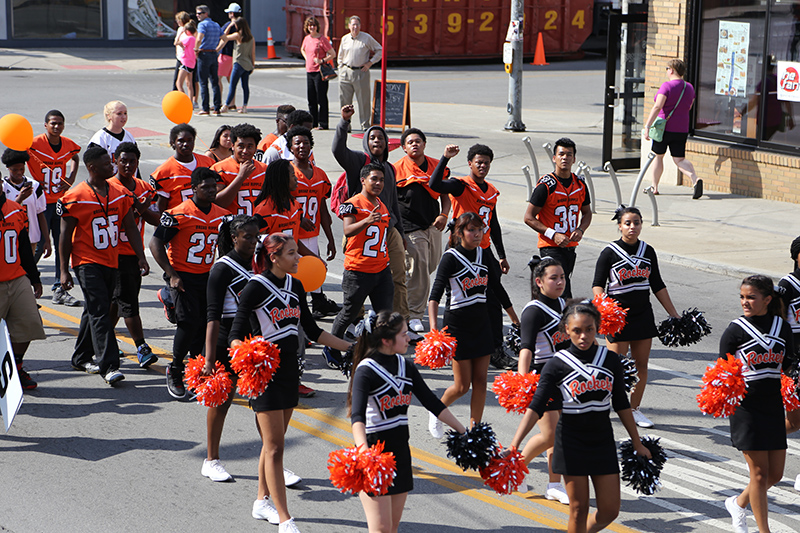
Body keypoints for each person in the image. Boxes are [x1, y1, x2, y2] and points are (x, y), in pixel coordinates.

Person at [229, 233, 352, 533]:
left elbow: (312, 330)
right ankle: (285, 517)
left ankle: (261, 501)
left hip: (289, 374)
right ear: (274, 257)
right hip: (264, 374)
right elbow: (234, 333)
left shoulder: (296, 286)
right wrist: (248, 356)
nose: (299, 258)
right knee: (274, 448)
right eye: (293, 253)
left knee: (273, 445)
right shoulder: (255, 287)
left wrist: (352, 347)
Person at [507, 301, 651, 533]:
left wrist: (637, 442)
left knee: (610, 510)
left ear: (598, 328)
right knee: (578, 508)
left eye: (589, 329)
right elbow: (536, 406)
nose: (583, 336)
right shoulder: (556, 365)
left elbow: (622, 404)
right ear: (566, 330)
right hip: (570, 443)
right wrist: (515, 444)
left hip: (602, 441)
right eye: (576, 330)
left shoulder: (610, 360)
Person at [348, 310, 467, 533]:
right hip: (375, 455)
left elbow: (432, 402)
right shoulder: (366, 370)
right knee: (381, 529)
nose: (410, 338)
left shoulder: (406, 366)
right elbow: (357, 417)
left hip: (401, 454)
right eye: (404, 334)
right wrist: (363, 452)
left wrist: (463, 431)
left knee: (392, 528)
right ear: (386, 340)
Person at [57, 146, 149, 385]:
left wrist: (141, 256)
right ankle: (108, 365)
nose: (112, 166)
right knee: (100, 311)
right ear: (92, 167)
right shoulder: (75, 196)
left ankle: (80, 356)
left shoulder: (119, 192)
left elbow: (130, 226)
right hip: (86, 261)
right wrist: (64, 270)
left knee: (93, 309)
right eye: (107, 164)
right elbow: (65, 236)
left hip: (111, 258)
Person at [427, 212, 519, 438]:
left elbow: (497, 289)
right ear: (460, 233)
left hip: (482, 325)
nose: (477, 234)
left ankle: (474, 429)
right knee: (461, 386)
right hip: (457, 327)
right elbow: (434, 296)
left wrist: (515, 319)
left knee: (480, 382)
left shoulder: (483, 253)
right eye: (471, 230)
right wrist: (434, 330)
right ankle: (436, 410)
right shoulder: (450, 257)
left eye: (480, 229)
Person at [591, 206, 679, 429]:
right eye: (628, 223)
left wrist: (673, 314)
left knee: (641, 365)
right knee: (615, 366)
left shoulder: (648, 251)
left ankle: (633, 409)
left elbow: (657, 284)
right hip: (618, 317)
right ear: (619, 226)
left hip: (642, 316)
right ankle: (602, 406)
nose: (632, 227)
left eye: (637, 222)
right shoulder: (609, 252)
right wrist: (605, 308)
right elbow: (598, 284)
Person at [429, 144, 515, 369]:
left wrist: (501, 254)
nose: (483, 166)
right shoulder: (460, 185)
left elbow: (493, 224)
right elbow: (434, 184)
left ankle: (496, 349)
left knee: (492, 299)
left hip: (483, 250)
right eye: (478, 162)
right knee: (455, 298)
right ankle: (446, 343)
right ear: (470, 163)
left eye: (486, 162)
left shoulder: (492, 191)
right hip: (459, 251)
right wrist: (445, 158)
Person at [719, 275, 795, 533]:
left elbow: (789, 366)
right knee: (760, 475)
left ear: (767, 299)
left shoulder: (781, 328)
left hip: (773, 406)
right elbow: (722, 373)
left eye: (751, 297)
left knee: (775, 475)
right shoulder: (735, 330)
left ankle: (737, 503)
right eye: (742, 297)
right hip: (746, 408)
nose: (745, 302)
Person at [150, 167, 229, 399]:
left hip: (206, 275)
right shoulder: (179, 213)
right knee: (188, 322)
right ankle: (174, 368)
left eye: (214, 186)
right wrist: (171, 274)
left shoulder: (221, 215)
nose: (212, 190)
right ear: (193, 188)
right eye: (206, 187)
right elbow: (156, 244)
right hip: (182, 274)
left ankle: (195, 371)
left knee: (206, 324)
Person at [333, 106, 409, 332]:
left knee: (397, 276)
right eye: (372, 137)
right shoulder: (359, 161)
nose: (377, 141)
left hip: (389, 228)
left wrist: (401, 232)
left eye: (381, 138)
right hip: (360, 231)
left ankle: (399, 323)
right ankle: (354, 324)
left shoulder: (389, 169)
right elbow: (338, 150)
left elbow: (394, 201)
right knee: (356, 290)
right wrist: (344, 123)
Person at [202, 213, 259, 482]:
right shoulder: (222, 268)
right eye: (247, 237)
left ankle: (272, 458)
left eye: (256, 237)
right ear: (234, 237)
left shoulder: (257, 265)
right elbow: (212, 315)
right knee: (222, 401)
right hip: (227, 337)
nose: (253, 242)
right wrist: (210, 359)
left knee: (263, 404)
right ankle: (211, 459)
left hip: (253, 340)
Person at [323, 163, 394, 368]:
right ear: (363, 180)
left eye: (381, 179)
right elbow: (347, 230)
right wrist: (367, 221)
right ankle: (332, 348)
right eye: (374, 179)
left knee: (385, 316)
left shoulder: (381, 204)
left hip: (381, 269)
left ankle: (380, 354)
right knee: (349, 312)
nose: (379, 183)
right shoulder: (353, 203)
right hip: (358, 270)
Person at [516, 256, 570, 503]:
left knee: (559, 434)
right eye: (554, 278)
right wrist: (523, 382)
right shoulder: (533, 311)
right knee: (551, 435)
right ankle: (517, 468)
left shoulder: (564, 304)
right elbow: (525, 348)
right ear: (539, 282)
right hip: (542, 377)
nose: (560, 282)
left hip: (566, 377)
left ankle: (552, 485)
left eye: (562, 277)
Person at [108, 142, 160, 368]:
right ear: (115, 161)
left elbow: (153, 219)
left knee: (117, 301)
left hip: (132, 251)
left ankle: (104, 339)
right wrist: (137, 208)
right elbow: (120, 218)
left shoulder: (144, 187)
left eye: (132, 161)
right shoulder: (107, 187)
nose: (128, 165)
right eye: (123, 160)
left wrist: (145, 208)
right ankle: (141, 347)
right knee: (127, 302)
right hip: (110, 252)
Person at [394, 128, 450, 334]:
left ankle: (403, 293)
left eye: (418, 141)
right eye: (410, 142)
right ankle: (415, 314)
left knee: (430, 264)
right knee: (420, 267)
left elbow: (445, 194)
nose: (414, 145)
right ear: (403, 148)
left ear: (424, 144)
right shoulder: (396, 169)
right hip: (409, 226)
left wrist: (444, 214)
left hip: (432, 224)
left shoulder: (437, 165)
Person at [523, 137, 592, 300]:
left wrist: (581, 229)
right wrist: (553, 234)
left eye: (569, 154)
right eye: (561, 154)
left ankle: (543, 319)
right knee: (562, 293)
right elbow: (528, 217)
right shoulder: (546, 185)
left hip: (570, 248)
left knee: (553, 293)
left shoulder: (580, 184)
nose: (565, 158)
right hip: (551, 247)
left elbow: (587, 213)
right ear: (554, 158)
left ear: (574, 159)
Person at [27, 109, 81, 306]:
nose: (56, 127)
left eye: (60, 123)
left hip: (60, 201)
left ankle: (59, 287)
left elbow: (75, 157)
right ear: (45, 125)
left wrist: (71, 178)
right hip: (40, 203)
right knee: (39, 244)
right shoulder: (34, 144)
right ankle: (25, 283)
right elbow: (17, 157)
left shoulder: (67, 144)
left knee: (62, 244)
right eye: (53, 123)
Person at [286, 126, 339, 318]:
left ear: (311, 146)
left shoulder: (321, 175)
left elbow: (323, 209)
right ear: (290, 147)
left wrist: (331, 239)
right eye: (297, 143)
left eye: (306, 142)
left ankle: (315, 306)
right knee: (293, 277)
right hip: (292, 234)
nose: (302, 146)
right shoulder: (287, 172)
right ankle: (296, 314)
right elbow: (280, 203)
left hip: (313, 235)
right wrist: (299, 219)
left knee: (312, 274)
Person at [0, 188, 46, 390]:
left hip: (17, 277)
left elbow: (24, 246)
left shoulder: (15, 209)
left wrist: (34, 278)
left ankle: (16, 366)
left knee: (29, 323)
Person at [643, 58, 701, 198]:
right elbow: (689, 106)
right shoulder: (689, 87)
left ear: (672, 70)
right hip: (681, 129)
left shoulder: (666, 86)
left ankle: (654, 187)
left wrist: (648, 125)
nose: (667, 71)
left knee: (658, 156)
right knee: (679, 159)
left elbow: (658, 106)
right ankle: (694, 178)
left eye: (667, 69)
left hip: (663, 129)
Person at [151, 123, 216, 213]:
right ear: (172, 143)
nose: (186, 144)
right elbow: (160, 209)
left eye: (190, 140)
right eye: (181, 141)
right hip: (179, 223)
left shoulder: (208, 163)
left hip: (205, 221)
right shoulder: (163, 172)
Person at [337, 15, 382, 131]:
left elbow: (380, 50)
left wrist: (370, 63)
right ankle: (346, 125)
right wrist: (341, 67)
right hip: (346, 71)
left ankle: (365, 125)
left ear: (360, 26)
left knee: (363, 100)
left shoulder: (366, 38)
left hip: (361, 72)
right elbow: (340, 55)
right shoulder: (345, 39)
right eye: (353, 24)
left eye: (357, 24)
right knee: (345, 100)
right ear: (349, 26)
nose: (355, 27)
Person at [212, 123, 267, 215]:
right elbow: (217, 203)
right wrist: (241, 177)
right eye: (241, 146)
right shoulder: (219, 169)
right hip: (232, 226)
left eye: (250, 147)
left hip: (258, 226)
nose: (245, 151)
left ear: (255, 148)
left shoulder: (264, 169)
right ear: (233, 146)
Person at [2, 149, 48, 258]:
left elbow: (40, 214)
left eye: (22, 169)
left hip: (31, 237)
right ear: (8, 168)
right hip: (9, 236)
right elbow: (4, 212)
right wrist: (20, 199)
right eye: (14, 170)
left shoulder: (35, 186)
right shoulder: (3, 187)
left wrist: (47, 240)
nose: (19, 172)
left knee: (28, 270)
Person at [301, 16, 335, 130]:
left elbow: (332, 53)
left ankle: (323, 123)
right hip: (309, 71)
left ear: (317, 27)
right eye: (310, 25)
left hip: (319, 72)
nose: (312, 27)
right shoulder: (307, 38)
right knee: (311, 98)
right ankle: (313, 123)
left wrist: (322, 60)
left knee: (321, 98)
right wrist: (307, 58)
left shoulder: (322, 39)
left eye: (314, 25)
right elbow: (302, 49)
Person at [218, 16, 254, 114]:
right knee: (245, 86)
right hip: (247, 64)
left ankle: (225, 106)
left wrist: (229, 26)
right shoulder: (251, 38)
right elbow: (252, 53)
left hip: (238, 64)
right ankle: (245, 107)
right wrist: (253, 66)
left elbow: (224, 37)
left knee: (232, 86)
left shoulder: (238, 35)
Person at [193, 4, 222, 116]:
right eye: (197, 13)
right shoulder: (215, 25)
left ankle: (205, 108)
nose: (197, 15)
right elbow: (224, 39)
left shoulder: (202, 24)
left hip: (204, 53)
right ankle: (217, 107)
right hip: (213, 54)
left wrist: (196, 49)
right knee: (215, 82)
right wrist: (217, 49)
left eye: (199, 13)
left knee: (203, 82)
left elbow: (199, 38)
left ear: (206, 14)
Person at [87, 101, 136, 166]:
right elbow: (94, 165)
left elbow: (135, 164)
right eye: (119, 114)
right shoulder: (100, 138)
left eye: (125, 113)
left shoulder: (129, 137)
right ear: (109, 116)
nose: (123, 117)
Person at [218, 3, 242, 110]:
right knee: (230, 80)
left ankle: (218, 102)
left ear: (232, 14)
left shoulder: (230, 25)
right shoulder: (242, 25)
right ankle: (232, 103)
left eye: (229, 12)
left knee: (217, 78)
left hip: (226, 55)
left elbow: (222, 35)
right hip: (235, 55)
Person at [176, 20, 197, 104]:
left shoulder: (188, 38)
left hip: (185, 62)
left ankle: (185, 101)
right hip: (192, 63)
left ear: (187, 31)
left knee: (178, 83)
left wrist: (180, 34)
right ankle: (191, 101)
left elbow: (176, 43)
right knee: (189, 84)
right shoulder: (195, 39)